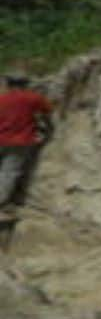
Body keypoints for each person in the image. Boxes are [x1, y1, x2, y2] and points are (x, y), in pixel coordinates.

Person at [0, 71, 54, 220]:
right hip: (20, 141)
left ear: (8, 84)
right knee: (9, 172)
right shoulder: (33, 98)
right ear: (26, 84)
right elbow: (48, 113)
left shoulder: (1, 99)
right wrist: (48, 130)